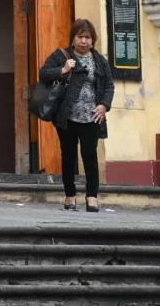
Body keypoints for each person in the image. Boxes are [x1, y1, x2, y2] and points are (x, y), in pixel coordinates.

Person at [38, 19, 114, 212]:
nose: (84, 41)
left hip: (92, 117)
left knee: (90, 155)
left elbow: (108, 86)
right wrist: (63, 69)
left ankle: (92, 197)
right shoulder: (61, 55)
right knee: (69, 157)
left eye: (88, 37)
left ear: (93, 40)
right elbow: (44, 74)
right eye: (80, 37)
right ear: (73, 38)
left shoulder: (99, 60)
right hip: (67, 117)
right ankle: (70, 196)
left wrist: (104, 105)